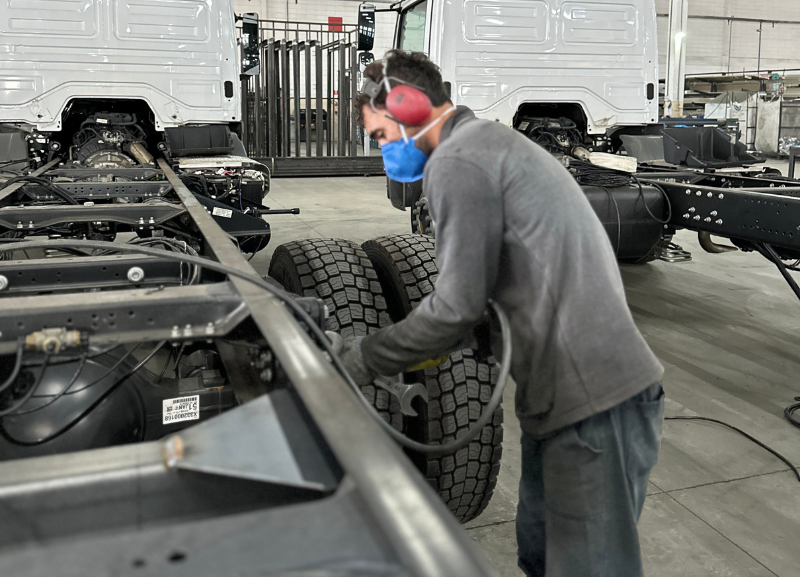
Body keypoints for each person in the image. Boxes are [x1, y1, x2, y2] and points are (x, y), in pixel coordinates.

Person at [342, 50, 665, 577]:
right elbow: (489, 292)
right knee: (540, 558)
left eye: (380, 136)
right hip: (562, 402)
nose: (383, 152)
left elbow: (453, 309)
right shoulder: (487, 145)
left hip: (596, 406)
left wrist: (362, 358)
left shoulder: (458, 161)